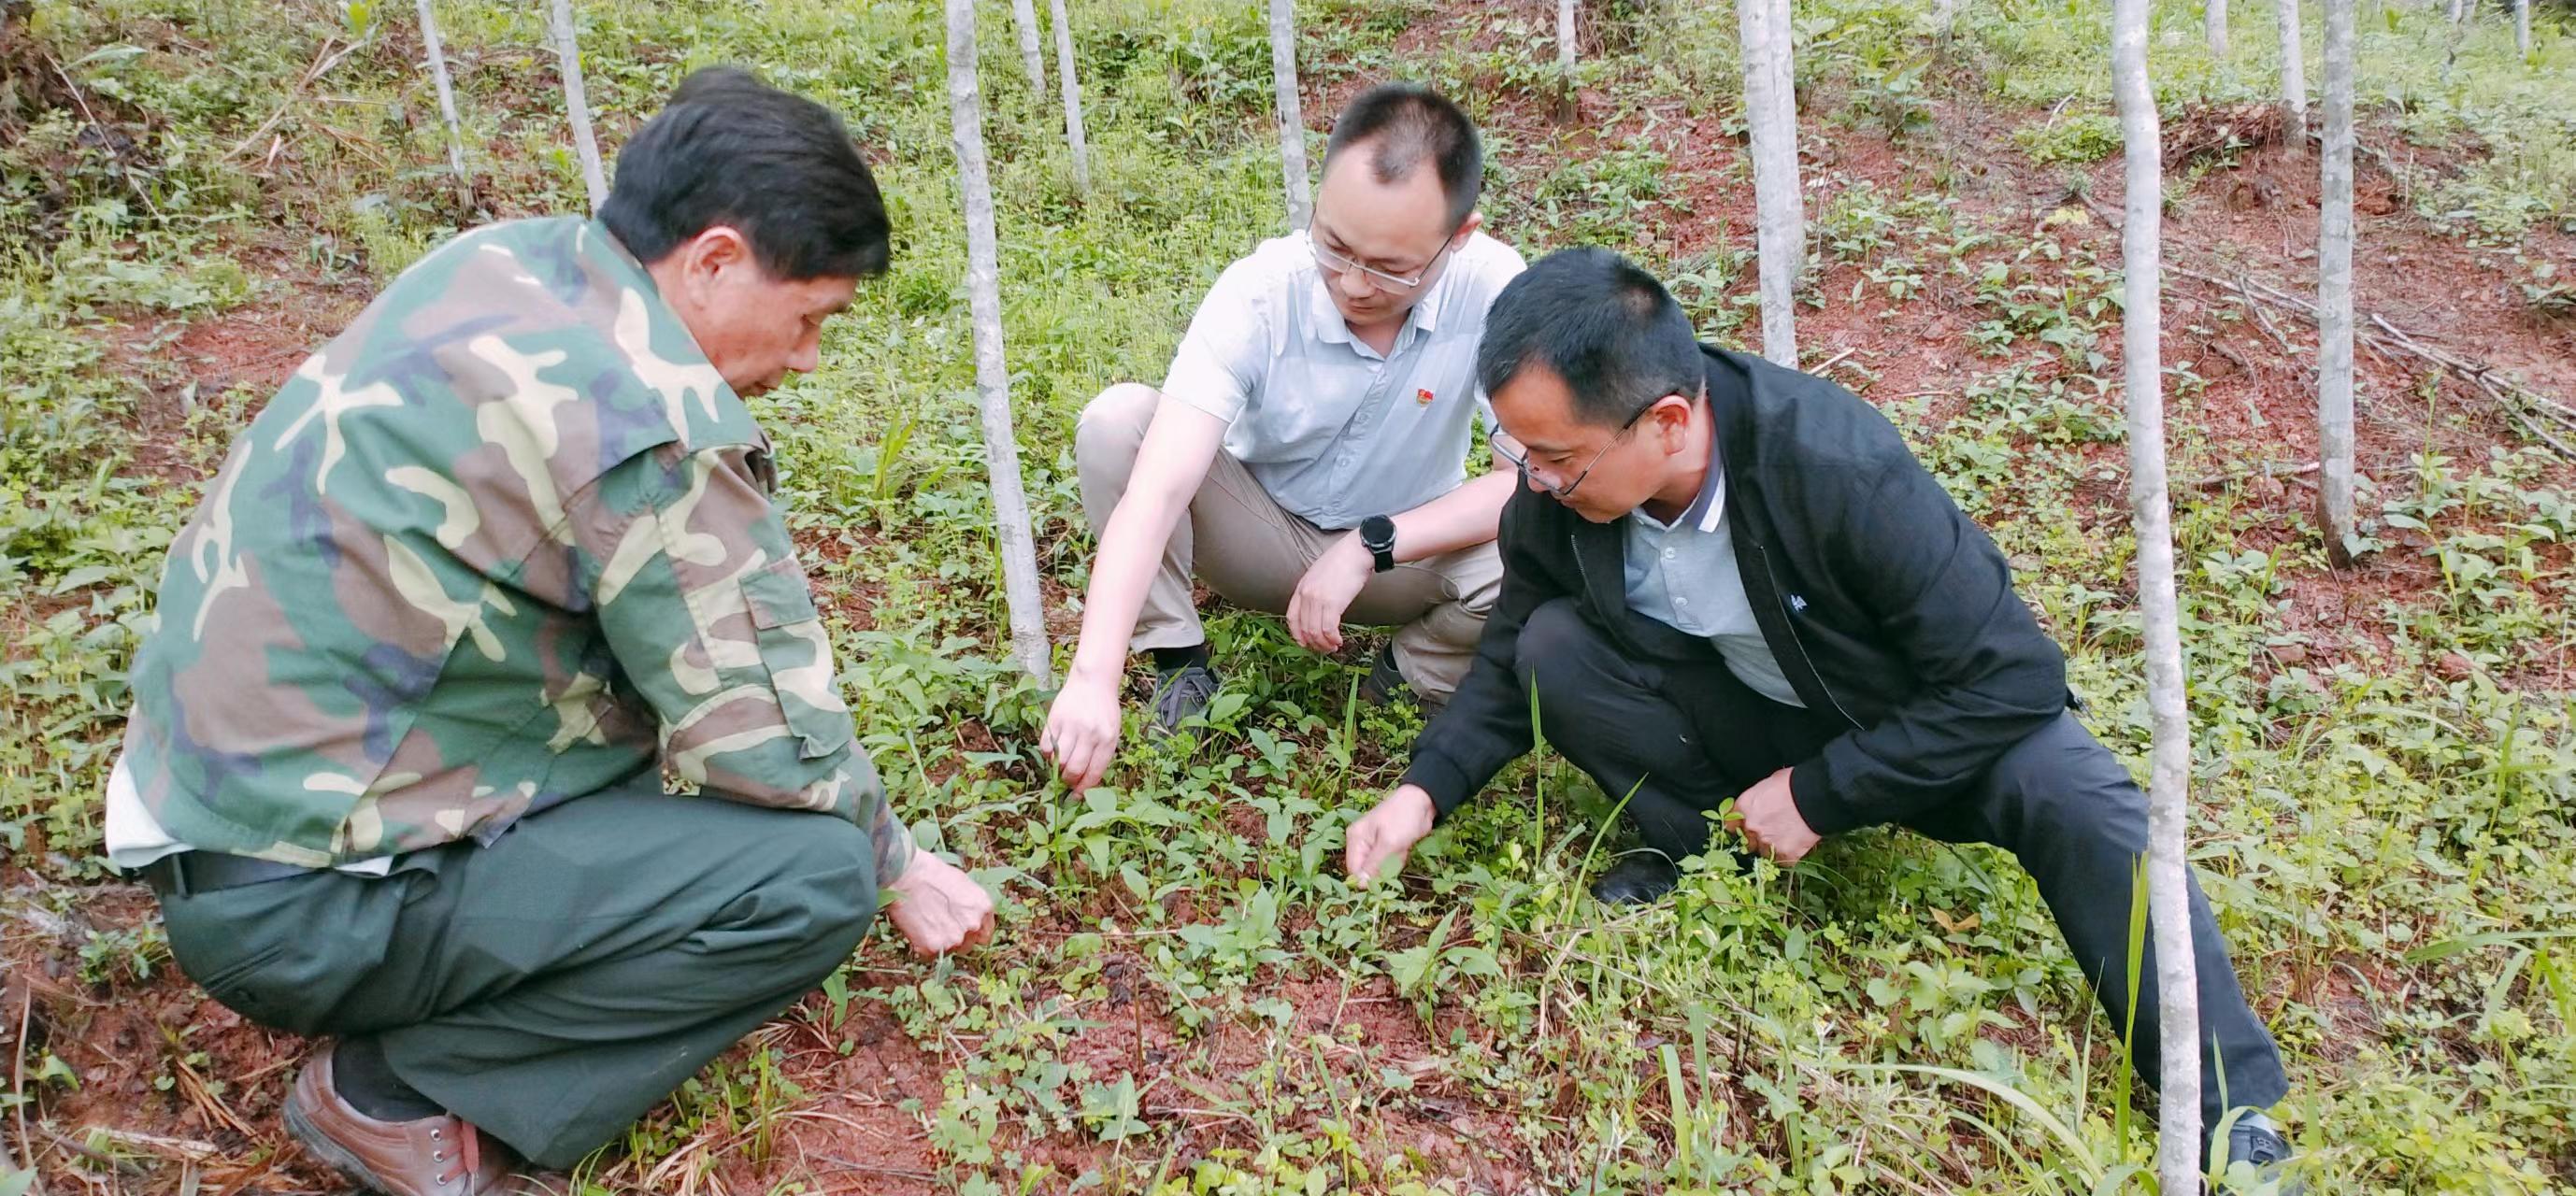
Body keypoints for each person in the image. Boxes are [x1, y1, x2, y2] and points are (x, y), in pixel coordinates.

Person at [103, 68, 994, 1194]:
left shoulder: (506, 264)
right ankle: (397, 1091)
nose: (808, 356)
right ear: (713, 259)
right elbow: (766, 739)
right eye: (809, 315)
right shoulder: (642, 418)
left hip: (213, 826)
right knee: (812, 874)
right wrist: (898, 861)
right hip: (305, 911)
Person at [1340, 249, 2301, 1181]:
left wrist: (1821, 791)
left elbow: (2012, 679)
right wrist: (1422, 792)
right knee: (1555, 643)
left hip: (1906, 728)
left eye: (1556, 460)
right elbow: (1508, 649)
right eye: (1524, 457)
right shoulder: (1558, 496)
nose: (1536, 482)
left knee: (2072, 790)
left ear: (1666, 421)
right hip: (1751, 705)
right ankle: (1696, 846)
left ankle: (2230, 1108)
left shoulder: (1834, 463)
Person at [1038, 83, 1525, 793]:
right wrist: (1092, 676)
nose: (1353, 285)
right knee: (1121, 424)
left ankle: (1409, 674)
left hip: (1401, 560)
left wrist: (1371, 544)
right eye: (1334, 246)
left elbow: (1528, 475)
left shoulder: (1494, 288)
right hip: (1258, 535)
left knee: (1550, 534)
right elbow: (1159, 487)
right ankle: (1179, 661)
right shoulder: (1262, 291)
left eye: (1391, 268)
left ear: (1460, 236)